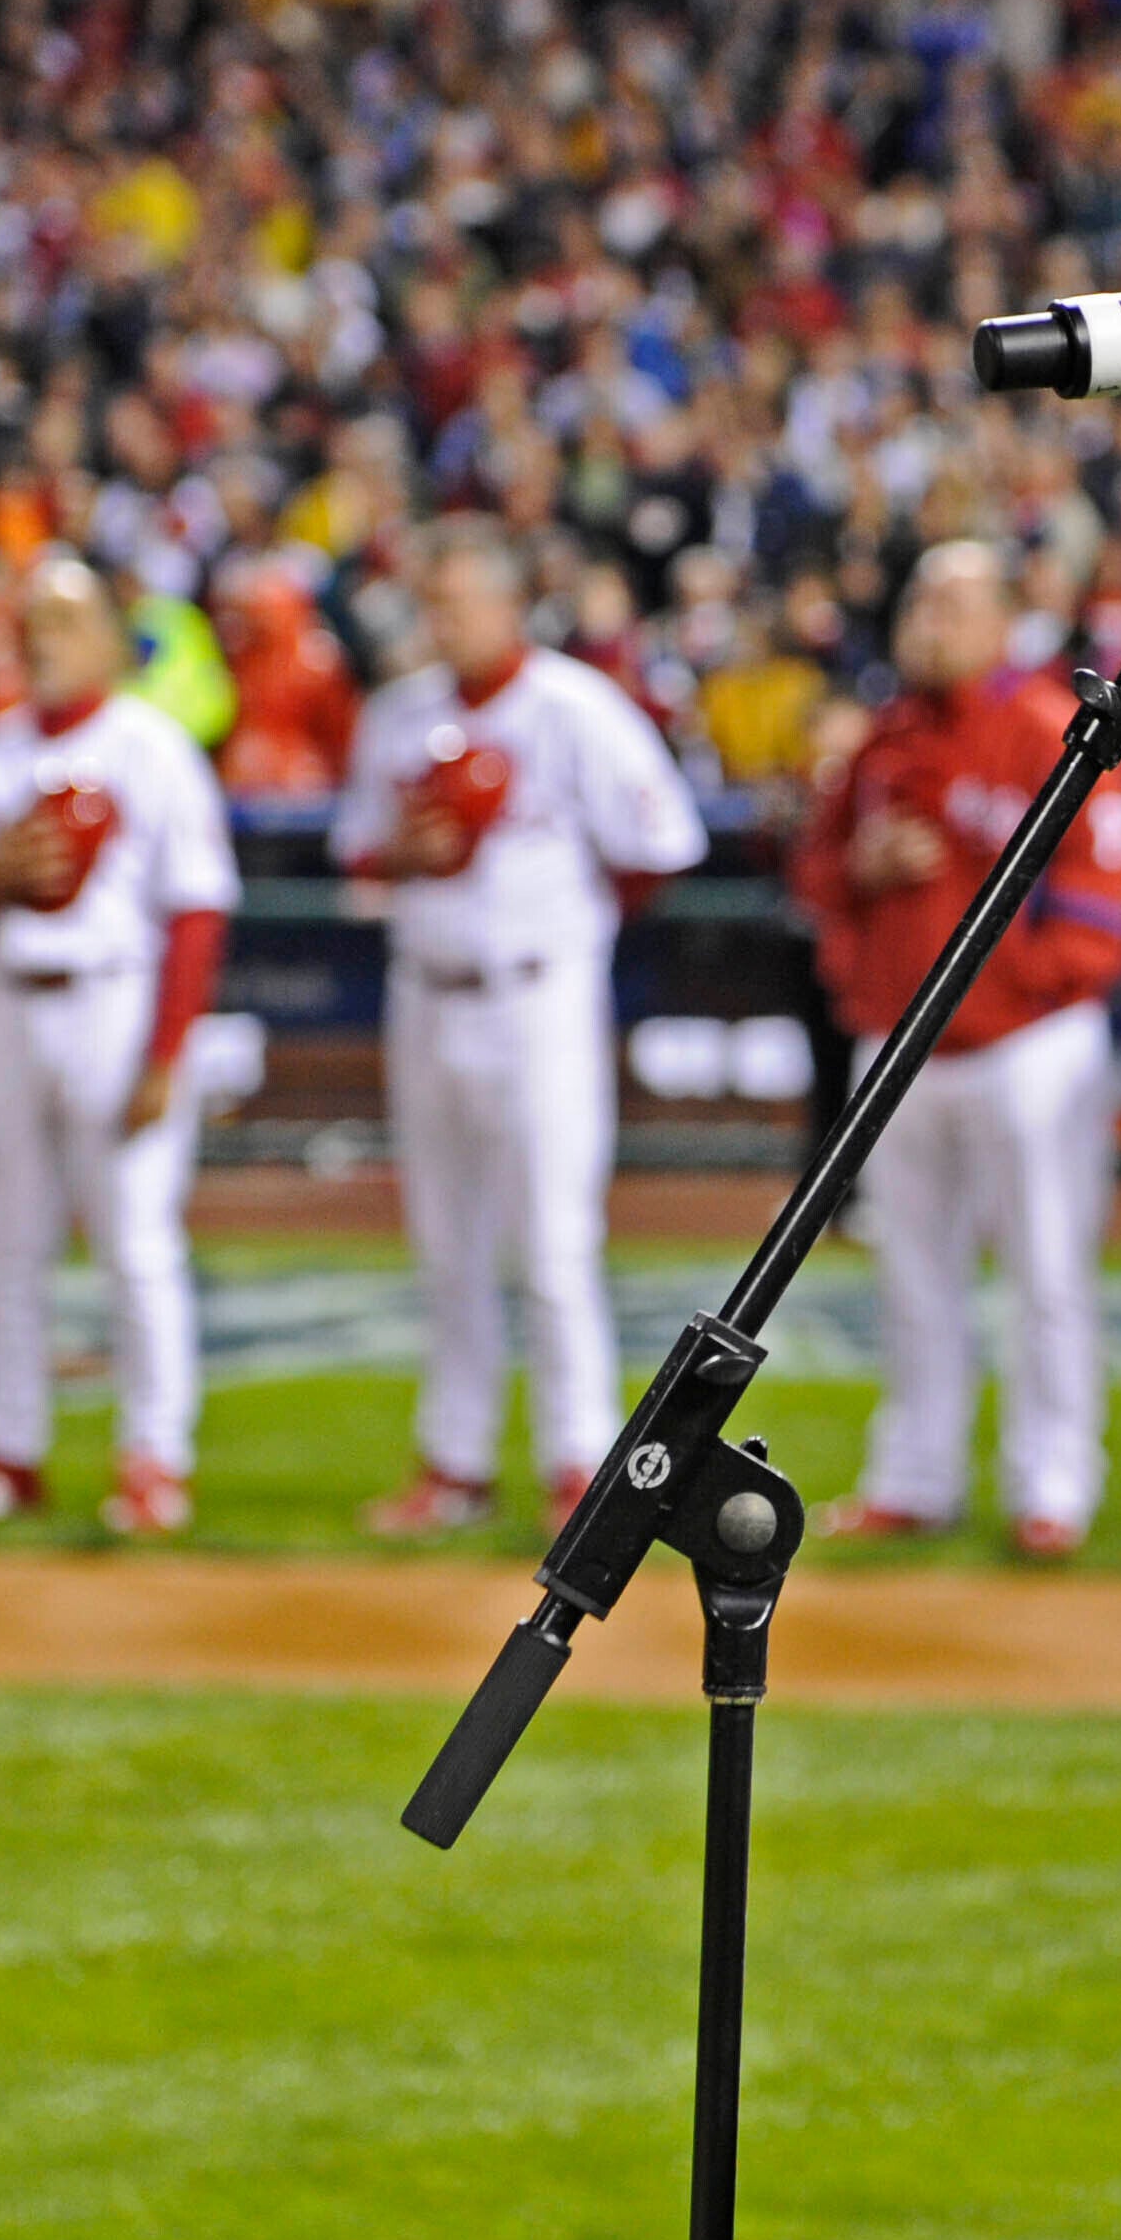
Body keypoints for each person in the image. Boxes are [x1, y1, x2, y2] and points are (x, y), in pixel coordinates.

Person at [335, 520, 706, 1537]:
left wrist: (576, 922)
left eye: (458, 601)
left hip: (538, 996)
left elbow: (662, 843)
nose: (441, 621)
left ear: (510, 605)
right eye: (432, 602)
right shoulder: (398, 714)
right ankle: (455, 1464)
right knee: (445, 1245)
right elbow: (359, 851)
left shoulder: (575, 708)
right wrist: (407, 854)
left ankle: (579, 1465)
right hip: (426, 991)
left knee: (552, 1245)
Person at [791, 541, 1121, 1559]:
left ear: (1001, 621)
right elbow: (815, 875)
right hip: (900, 1043)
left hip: (1024, 1047)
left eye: (953, 604)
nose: (929, 623)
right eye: (920, 602)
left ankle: (1054, 1485)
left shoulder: (1051, 727)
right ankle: (915, 1477)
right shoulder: (884, 739)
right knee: (912, 1276)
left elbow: (1103, 901)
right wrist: (860, 869)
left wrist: (1024, 984)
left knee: (1046, 1273)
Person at [0, 553, 240, 1539]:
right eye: (32, 625)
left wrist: (166, 1054)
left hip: (116, 1003)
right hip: (10, 1005)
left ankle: (155, 1459)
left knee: (136, 1243)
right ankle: (7, 1451)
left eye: (64, 622)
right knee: (6, 1246)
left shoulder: (152, 747)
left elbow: (197, 911)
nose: (43, 642)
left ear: (106, 638)